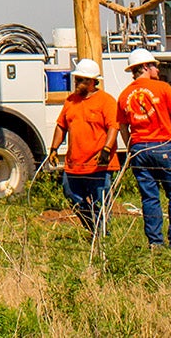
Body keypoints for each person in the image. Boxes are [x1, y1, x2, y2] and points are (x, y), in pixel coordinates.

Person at [114, 47, 171, 248]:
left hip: (139, 149)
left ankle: (155, 243)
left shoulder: (124, 95)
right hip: (163, 145)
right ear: (145, 67)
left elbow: (122, 126)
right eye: (154, 65)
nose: (157, 68)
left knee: (149, 197)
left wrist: (131, 147)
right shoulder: (162, 88)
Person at [48, 59, 120, 235]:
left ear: (93, 81)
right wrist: (54, 149)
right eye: (77, 79)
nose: (78, 82)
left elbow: (114, 126)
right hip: (74, 165)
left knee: (100, 201)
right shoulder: (71, 101)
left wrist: (106, 150)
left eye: (82, 79)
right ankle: (93, 228)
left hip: (98, 164)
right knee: (71, 194)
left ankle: (102, 237)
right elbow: (61, 125)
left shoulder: (106, 101)